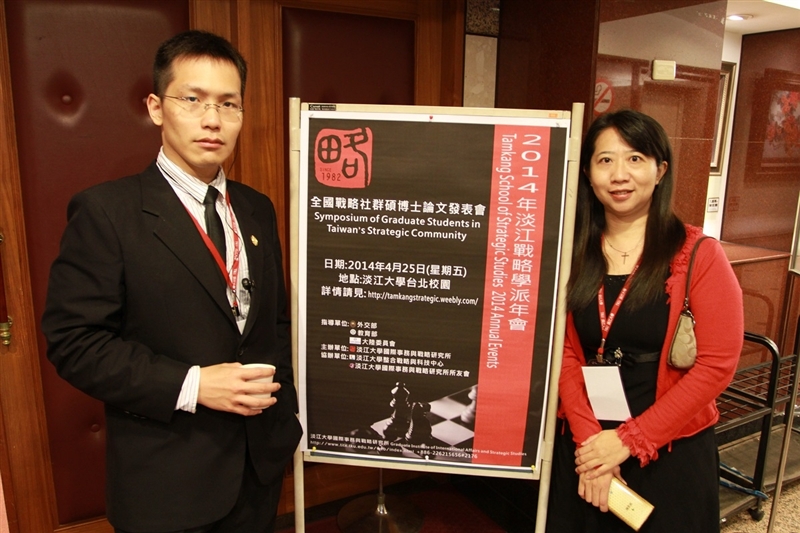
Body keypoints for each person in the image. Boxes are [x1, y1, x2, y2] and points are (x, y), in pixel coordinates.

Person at [42, 30, 302, 533]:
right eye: (193, 99)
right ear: (156, 108)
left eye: (229, 104)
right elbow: (74, 343)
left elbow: (274, 322)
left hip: (258, 467)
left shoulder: (256, 208)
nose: (212, 119)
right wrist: (195, 384)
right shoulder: (106, 212)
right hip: (166, 481)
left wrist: (283, 414)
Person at [546, 109, 743, 532]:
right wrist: (591, 444)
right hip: (586, 445)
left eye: (635, 158)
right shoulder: (570, 252)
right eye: (605, 160)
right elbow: (561, 352)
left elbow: (717, 365)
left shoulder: (699, 255)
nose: (619, 174)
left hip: (670, 449)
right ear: (588, 174)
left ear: (660, 170)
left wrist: (626, 441)